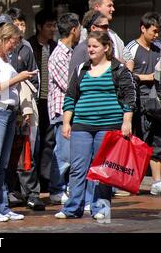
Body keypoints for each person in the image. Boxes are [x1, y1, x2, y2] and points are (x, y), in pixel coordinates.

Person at [55, 31, 135, 220]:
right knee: (77, 168)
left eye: (94, 46)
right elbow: (70, 96)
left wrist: (127, 121)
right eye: (89, 46)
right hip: (82, 125)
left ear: (106, 48)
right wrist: (67, 122)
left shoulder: (118, 69)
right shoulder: (81, 69)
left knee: (103, 170)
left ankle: (100, 208)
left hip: (108, 126)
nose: (90, 49)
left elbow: (129, 97)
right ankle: (72, 208)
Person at [0, 23, 37, 222]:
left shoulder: (5, 57)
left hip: (8, 112)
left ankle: (2, 206)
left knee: (3, 164)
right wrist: (18, 78)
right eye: (13, 42)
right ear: (3, 39)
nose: (14, 46)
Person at [123, 12, 161, 196]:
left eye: (158, 31)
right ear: (143, 28)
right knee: (140, 141)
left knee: (158, 141)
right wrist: (147, 77)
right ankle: (132, 180)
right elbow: (127, 76)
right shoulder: (131, 48)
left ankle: (157, 182)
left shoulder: (159, 48)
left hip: (158, 102)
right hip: (140, 101)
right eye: (154, 31)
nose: (156, 35)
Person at [3, 7, 40, 206]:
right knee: (8, 152)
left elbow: (34, 78)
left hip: (25, 106)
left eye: (22, 24)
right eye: (16, 24)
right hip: (7, 106)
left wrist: (29, 98)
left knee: (28, 150)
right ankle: (9, 191)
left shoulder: (26, 48)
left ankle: (31, 193)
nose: (20, 28)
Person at [47, 13, 81, 204]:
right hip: (62, 111)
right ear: (73, 30)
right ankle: (56, 189)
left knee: (70, 152)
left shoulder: (72, 52)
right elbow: (69, 84)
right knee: (63, 153)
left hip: (72, 111)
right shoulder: (59, 55)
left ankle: (65, 187)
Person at [28, 9, 58, 210]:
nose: (52, 29)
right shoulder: (30, 46)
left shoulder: (55, 47)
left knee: (49, 142)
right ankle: (32, 185)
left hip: (51, 102)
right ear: (39, 27)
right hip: (34, 101)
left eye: (54, 25)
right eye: (48, 25)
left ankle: (45, 180)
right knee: (33, 143)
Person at [69, 10, 110, 79]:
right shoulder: (81, 50)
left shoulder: (106, 48)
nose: (108, 30)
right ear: (93, 28)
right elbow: (72, 82)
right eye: (105, 27)